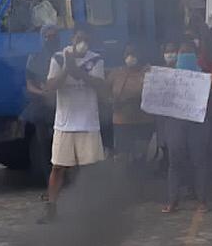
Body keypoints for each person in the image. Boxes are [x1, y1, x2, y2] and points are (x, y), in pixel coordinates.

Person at [39, 27, 106, 223]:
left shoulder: (96, 60)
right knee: (58, 167)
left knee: (90, 169)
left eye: (86, 39)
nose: (82, 42)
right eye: (79, 38)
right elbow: (51, 86)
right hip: (64, 123)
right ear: (72, 39)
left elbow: (101, 86)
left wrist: (80, 74)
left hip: (88, 123)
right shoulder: (59, 58)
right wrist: (68, 69)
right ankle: (51, 209)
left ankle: (90, 210)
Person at [162, 41, 212, 213]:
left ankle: (201, 201)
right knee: (177, 162)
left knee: (197, 162)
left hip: (194, 123)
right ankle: (174, 200)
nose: (183, 56)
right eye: (182, 52)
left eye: (187, 53)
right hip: (178, 123)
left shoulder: (204, 77)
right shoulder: (168, 76)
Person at [24, 24, 61, 184]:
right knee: (44, 146)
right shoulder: (34, 58)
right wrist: (43, 93)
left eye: (54, 36)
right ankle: (49, 182)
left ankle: (68, 182)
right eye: (47, 36)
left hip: (62, 106)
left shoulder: (64, 55)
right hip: (41, 107)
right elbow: (29, 84)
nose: (51, 39)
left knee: (62, 145)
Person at [108, 44, 153, 168]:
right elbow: (105, 92)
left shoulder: (149, 72)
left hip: (143, 121)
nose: (130, 57)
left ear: (140, 55)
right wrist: (112, 101)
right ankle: (124, 184)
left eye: (134, 53)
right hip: (122, 122)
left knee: (140, 156)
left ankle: (141, 182)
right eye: (127, 53)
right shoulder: (116, 73)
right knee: (123, 156)